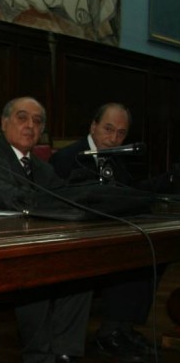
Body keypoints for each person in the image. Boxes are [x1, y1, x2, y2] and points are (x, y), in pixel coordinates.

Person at [0, 96, 91, 363]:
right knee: (37, 271)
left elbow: (65, 197)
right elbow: (11, 197)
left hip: (31, 243)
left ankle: (66, 352)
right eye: (22, 118)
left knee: (83, 267)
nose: (30, 125)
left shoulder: (42, 167)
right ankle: (39, 356)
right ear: (4, 122)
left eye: (37, 121)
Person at [49, 103, 160, 362]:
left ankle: (121, 328)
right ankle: (110, 331)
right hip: (75, 236)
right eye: (108, 129)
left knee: (148, 249)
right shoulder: (68, 157)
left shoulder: (115, 157)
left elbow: (129, 192)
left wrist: (161, 183)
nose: (113, 138)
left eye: (121, 133)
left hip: (107, 231)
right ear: (93, 126)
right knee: (125, 253)